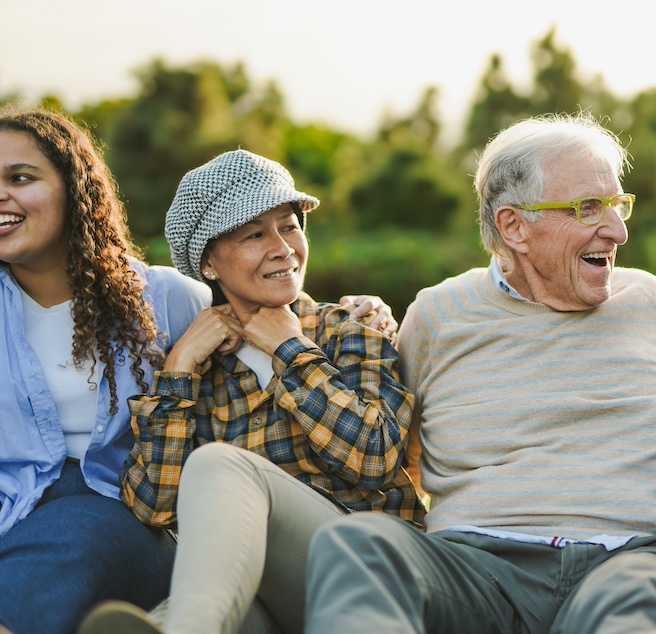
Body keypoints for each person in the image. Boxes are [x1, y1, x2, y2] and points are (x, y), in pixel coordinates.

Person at [303, 112, 656, 634]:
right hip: (477, 565)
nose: (618, 230)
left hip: (623, 560)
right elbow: (401, 451)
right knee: (357, 545)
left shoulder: (649, 302)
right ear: (514, 226)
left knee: (636, 615)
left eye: (618, 205)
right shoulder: (439, 316)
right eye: (588, 208)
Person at [78, 149, 425, 634]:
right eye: (255, 234)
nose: (283, 247)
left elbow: (377, 458)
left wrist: (290, 350)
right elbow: (153, 506)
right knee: (230, 616)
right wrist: (177, 369)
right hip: (266, 588)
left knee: (218, 464)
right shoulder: (198, 367)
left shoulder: (349, 328)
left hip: (364, 570)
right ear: (209, 264)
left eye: (290, 226)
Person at [0, 106, 210, 634]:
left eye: (20, 178)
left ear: (75, 188)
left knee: (76, 530)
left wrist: (359, 306)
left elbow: (268, 311)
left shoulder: (165, 299)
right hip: (10, 516)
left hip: (124, 517)